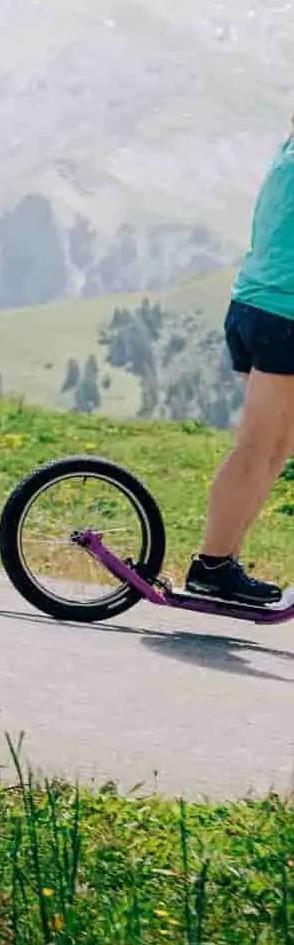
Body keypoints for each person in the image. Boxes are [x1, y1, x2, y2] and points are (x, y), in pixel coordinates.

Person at [183, 121, 294, 607]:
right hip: (280, 317)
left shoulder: (288, 146)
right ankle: (211, 566)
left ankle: (224, 564)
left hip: (257, 308)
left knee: (275, 450)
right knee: (257, 449)